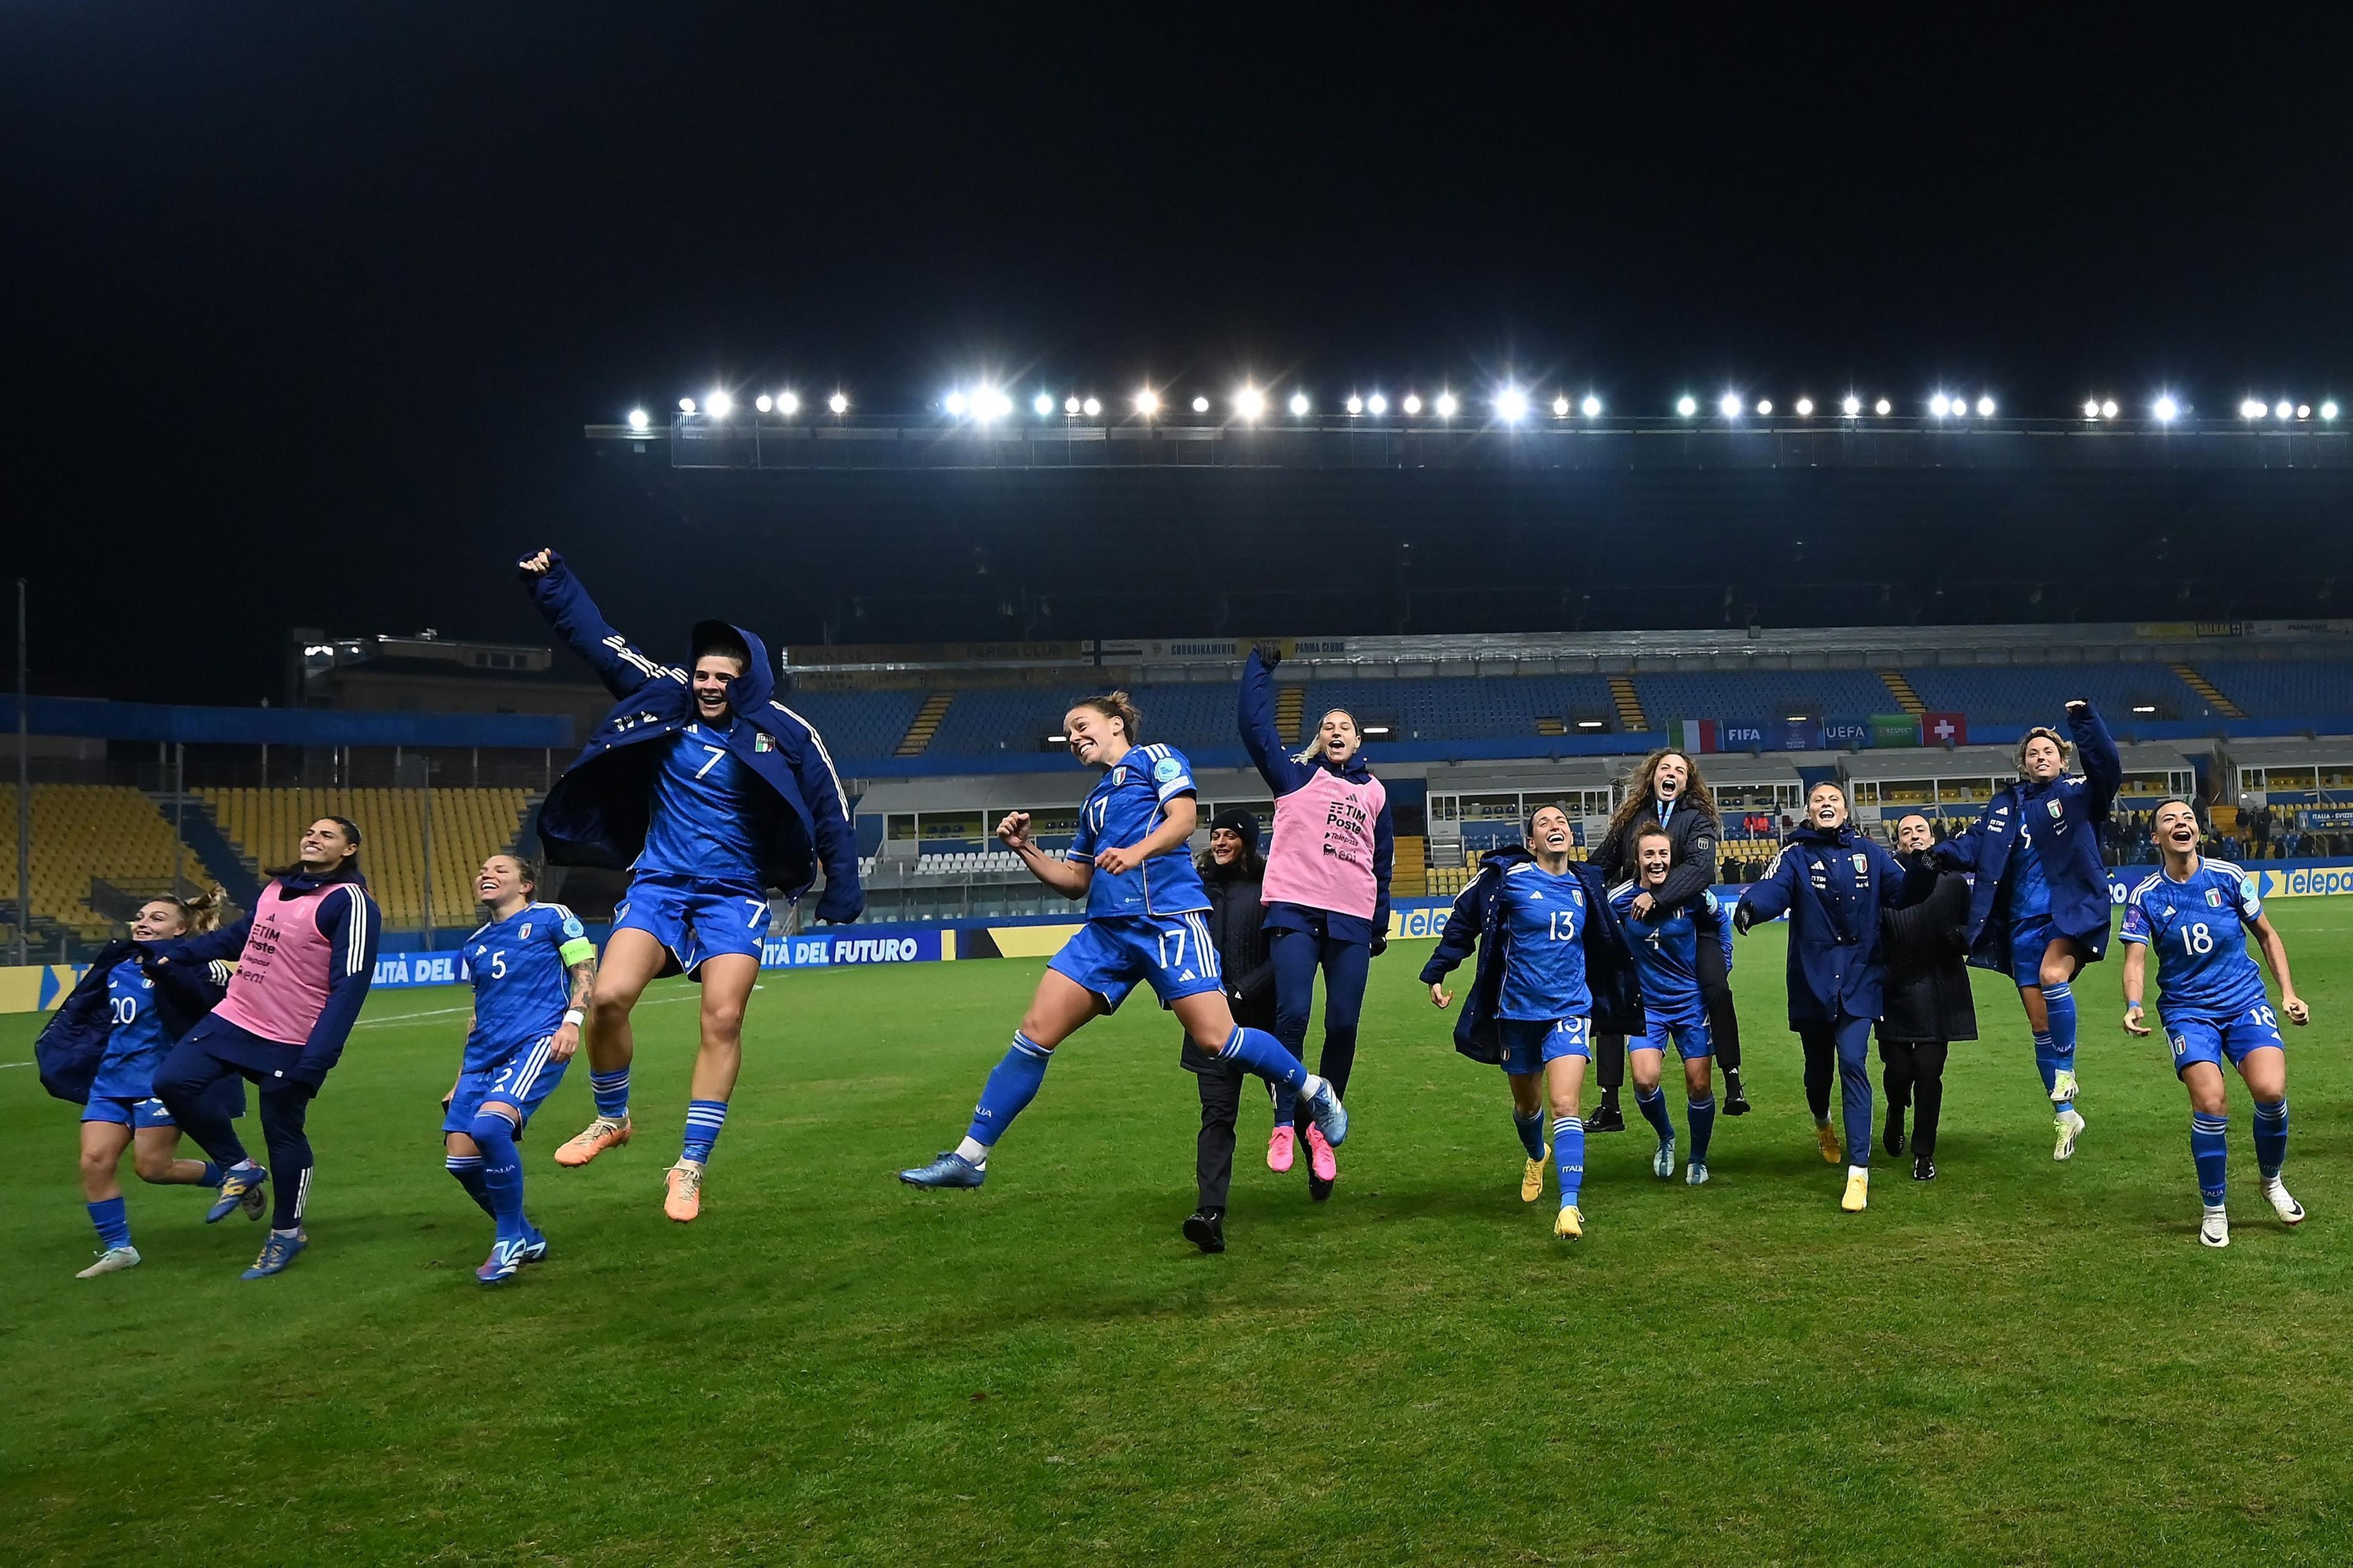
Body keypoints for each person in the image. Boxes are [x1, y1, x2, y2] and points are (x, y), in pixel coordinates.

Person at [518, 547, 860, 1224]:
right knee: (610, 997)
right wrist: (553, 583)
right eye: (702, 674)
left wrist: (842, 887)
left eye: (722, 679)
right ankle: (612, 1118)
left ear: (747, 680)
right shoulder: (663, 696)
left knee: (724, 1018)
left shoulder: (785, 731)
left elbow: (829, 807)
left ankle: (690, 1165)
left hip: (735, 895)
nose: (708, 686)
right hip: (659, 886)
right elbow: (601, 643)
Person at [899, 694, 1347, 1202]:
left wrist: (1134, 852)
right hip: (1107, 932)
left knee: (1217, 1040)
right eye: (1067, 733)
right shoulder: (1093, 803)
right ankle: (971, 1156)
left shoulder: (1157, 757)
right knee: (1034, 1033)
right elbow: (1075, 880)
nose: (1073, 737)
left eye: (1081, 725)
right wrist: (1025, 848)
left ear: (1116, 724)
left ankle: (1314, 1090)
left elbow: (1183, 818)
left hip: (1168, 921)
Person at [149, 817, 381, 1278]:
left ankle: (287, 1233)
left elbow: (349, 987)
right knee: (173, 1081)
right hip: (236, 1016)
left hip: (292, 1036)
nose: (313, 838)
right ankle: (239, 1166)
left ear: (349, 849)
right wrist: (175, 953)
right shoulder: (278, 887)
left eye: (327, 835)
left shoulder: (350, 902)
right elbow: (238, 938)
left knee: (283, 1132)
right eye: (310, 831)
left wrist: (317, 1059)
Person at [1420, 804, 1640, 1241]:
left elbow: (1609, 941)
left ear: (1570, 838)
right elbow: (1466, 918)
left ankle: (1570, 1205)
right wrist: (1438, 970)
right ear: (1532, 842)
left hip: (1571, 1009)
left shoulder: (1587, 884)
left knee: (1566, 1105)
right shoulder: (1510, 879)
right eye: (1545, 824)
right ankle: (1536, 1153)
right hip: (1517, 1013)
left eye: (1562, 822)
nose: (1556, 827)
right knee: (1528, 1106)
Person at [1237, 645, 1393, 1203]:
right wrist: (1260, 666)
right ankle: (1283, 1119)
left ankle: (1317, 1127)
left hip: (1352, 918)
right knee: (1294, 1013)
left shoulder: (1376, 793)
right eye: (1327, 725)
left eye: (1345, 725)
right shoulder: (1294, 776)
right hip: (1296, 910)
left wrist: (1378, 922)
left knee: (1344, 1026)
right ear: (1319, 740)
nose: (1335, 729)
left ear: (1359, 741)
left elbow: (1382, 861)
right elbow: (1252, 726)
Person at [1932, 701, 2120, 1162]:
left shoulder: (2080, 795)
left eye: (2049, 751)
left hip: (2067, 914)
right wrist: (1937, 854)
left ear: (2063, 760)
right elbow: (1975, 844)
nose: (2040, 757)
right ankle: (2065, 1112)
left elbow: (2108, 768)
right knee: (2039, 1025)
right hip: (2019, 924)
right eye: (2033, 752)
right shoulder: (2005, 804)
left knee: (2055, 977)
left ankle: (2067, 1071)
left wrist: (2084, 721)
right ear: (2024, 762)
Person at [2120, 799, 2310, 1248]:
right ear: (2155, 837)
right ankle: (2215, 1208)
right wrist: (2133, 1002)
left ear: (2198, 832)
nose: (2180, 823)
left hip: (2244, 1001)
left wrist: (2288, 993)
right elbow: (2135, 958)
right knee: (2211, 1103)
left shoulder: (2228, 877)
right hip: (2188, 1011)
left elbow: (2267, 934)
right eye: (2169, 819)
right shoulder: (2146, 894)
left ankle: (2271, 1182)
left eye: (2187, 817)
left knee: (2270, 1090)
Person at [36, 890, 244, 1277]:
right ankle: (119, 1249)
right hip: (110, 1080)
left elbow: (220, 1006)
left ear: (181, 929)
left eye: (157, 918)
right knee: (94, 1161)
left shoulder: (195, 967)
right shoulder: (116, 964)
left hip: (161, 1081)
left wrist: (206, 976)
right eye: (141, 916)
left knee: (153, 1168)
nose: (143, 922)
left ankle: (234, 1177)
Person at [1734, 782, 1907, 1213]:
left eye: (1833, 800)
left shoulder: (1872, 853)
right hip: (1813, 980)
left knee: (1853, 1061)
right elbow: (1773, 889)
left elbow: (1904, 891)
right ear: (1808, 812)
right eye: (1818, 801)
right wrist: (1751, 907)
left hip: (1861, 978)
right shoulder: (1796, 855)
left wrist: (1926, 870)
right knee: (1818, 1073)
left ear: (1846, 809)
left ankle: (1859, 1173)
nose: (1825, 805)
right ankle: (1822, 1123)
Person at [442, 854, 598, 1286]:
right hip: (481, 1057)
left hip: (536, 1041)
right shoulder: (474, 945)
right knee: (459, 1160)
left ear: (526, 884)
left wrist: (573, 1020)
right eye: (482, 871)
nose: (486, 875)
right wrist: (460, 1077)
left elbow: (584, 968)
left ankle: (508, 1238)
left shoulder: (552, 917)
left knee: (491, 1129)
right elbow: (478, 1013)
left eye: (499, 870)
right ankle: (527, 1236)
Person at [1585, 748, 1748, 1133]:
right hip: (1636, 918)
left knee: (1717, 988)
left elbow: (1700, 869)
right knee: (1610, 996)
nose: (1671, 773)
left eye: (1680, 769)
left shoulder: (1697, 820)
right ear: (1652, 776)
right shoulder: (1632, 818)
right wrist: (1566, 882)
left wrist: (1657, 897)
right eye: (1665, 768)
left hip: (1694, 921)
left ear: (1689, 780)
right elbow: (1600, 865)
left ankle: (1732, 1079)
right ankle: (1610, 1103)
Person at [1607, 824, 1730, 1186]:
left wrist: (1722, 965)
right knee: (1645, 1082)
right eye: (1650, 854)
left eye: (1663, 854)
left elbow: (1720, 921)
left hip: (1691, 1003)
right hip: (1648, 1006)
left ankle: (1698, 1157)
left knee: (1699, 1085)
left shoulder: (1692, 896)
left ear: (1672, 859)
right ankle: (1666, 1137)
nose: (1657, 861)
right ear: (1637, 860)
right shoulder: (1620, 901)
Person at [1177, 809, 1276, 1254]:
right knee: (1217, 1118)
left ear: (1247, 842)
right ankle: (1210, 1214)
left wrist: (1243, 992)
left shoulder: (1270, 888)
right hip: (1208, 1022)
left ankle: (1317, 1161)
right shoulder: (1196, 889)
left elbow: (1287, 955)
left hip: (1263, 1022)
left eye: (1229, 835)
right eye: (1215, 834)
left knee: (1288, 1103)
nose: (1219, 842)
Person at [1876, 814, 1977, 1182]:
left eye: (1920, 830)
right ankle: (1895, 1109)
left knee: (1929, 1073)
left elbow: (1977, 928)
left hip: (1941, 986)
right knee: (1899, 1070)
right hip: (1895, 988)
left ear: (1932, 838)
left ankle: (1923, 1153)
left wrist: (1961, 937)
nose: (1914, 836)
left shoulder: (1952, 882)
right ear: (1898, 842)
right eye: (1907, 832)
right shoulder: (1886, 881)